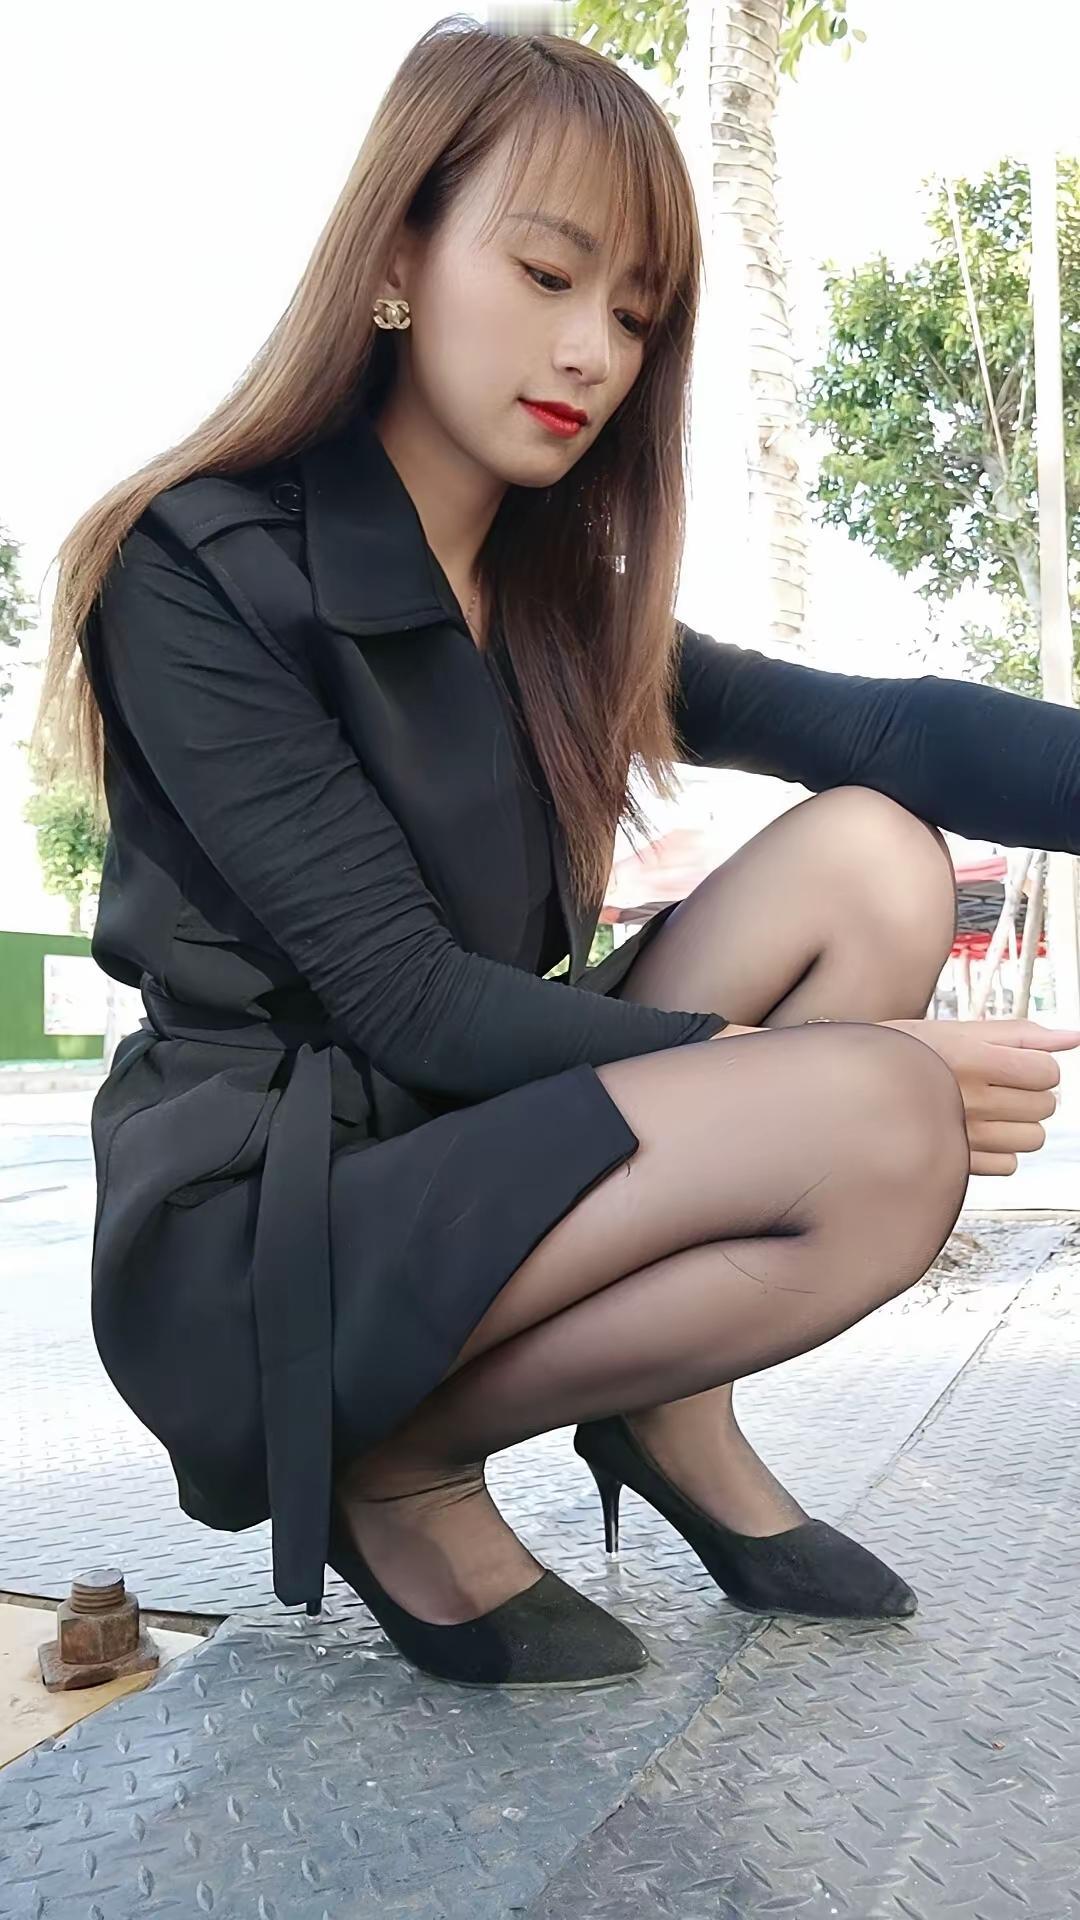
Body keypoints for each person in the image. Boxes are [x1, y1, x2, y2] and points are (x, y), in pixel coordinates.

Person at [34, 17, 1080, 1691]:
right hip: (267, 1228)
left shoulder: (552, 605)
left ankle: (668, 1415)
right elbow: (407, 998)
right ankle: (394, 1462)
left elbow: (885, 732)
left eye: (636, 315)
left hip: (470, 1136)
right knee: (885, 1124)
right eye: (545, 274)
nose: (593, 350)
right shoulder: (197, 564)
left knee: (875, 858)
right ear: (398, 256)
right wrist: (818, 1071)